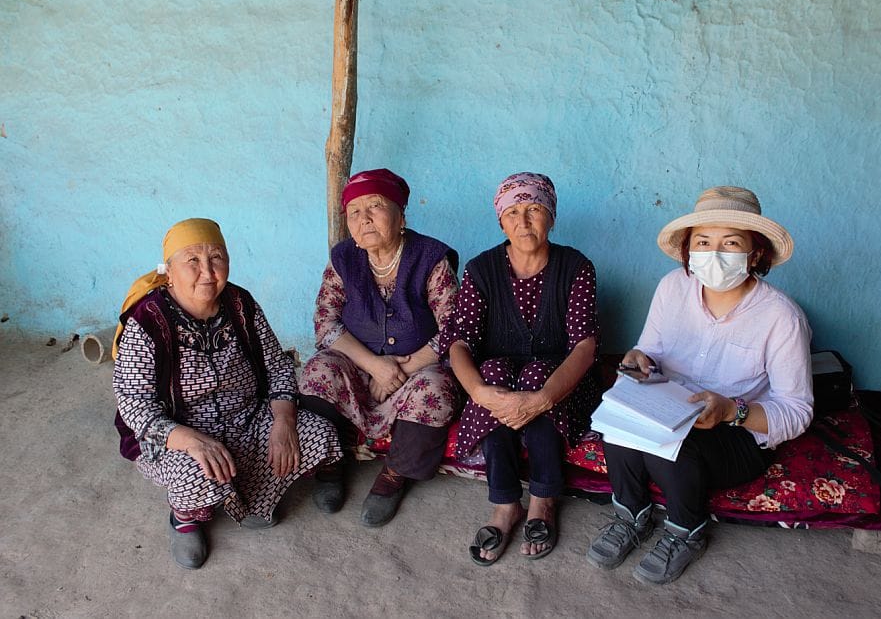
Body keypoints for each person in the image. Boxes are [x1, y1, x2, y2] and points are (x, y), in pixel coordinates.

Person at [586, 186, 813, 584]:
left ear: (755, 253)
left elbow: (797, 411)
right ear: (688, 249)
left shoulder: (782, 317)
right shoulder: (672, 287)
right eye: (704, 242)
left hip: (737, 432)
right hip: (671, 405)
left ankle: (685, 531)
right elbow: (648, 350)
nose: (714, 254)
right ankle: (631, 515)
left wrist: (731, 411)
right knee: (618, 427)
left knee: (671, 448)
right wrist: (638, 359)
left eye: (731, 243)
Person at [113, 218, 342, 570]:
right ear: (169, 272)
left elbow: (277, 366)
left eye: (216, 258)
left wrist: (283, 422)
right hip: (181, 430)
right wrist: (191, 441)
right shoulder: (146, 321)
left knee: (320, 433)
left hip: (248, 416)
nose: (207, 272)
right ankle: (185, 518)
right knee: (194, 473)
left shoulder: (240, 303)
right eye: (192, 260)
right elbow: (134, 404)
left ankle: (307, 477)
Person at [448, 172, 599, 565]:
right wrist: (479, 393)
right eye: (513, 212)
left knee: (536, 376)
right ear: (501, 221)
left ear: (551, 216)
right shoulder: (481, 269)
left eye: (534, 209)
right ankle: (505, 504)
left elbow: (584, 346)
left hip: (560, 382)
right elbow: (460, 342)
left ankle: (543, 501)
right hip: (499, 378)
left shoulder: (576, 266)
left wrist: (542, 398)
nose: (524, 220)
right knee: (493, 375)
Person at [298, 169, 460, 527]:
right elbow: (325, 322)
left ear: (401, 217)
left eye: (375, 206)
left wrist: (399, 371)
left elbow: (454, 327)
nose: (364, 218)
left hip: (417, 368)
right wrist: (374, 365)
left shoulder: (431, 258)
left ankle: (395, 474)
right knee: (318, 371)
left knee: (436, 390)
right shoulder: (343, 259)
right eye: (354, 211)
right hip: (360, 365)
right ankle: (331, 462)